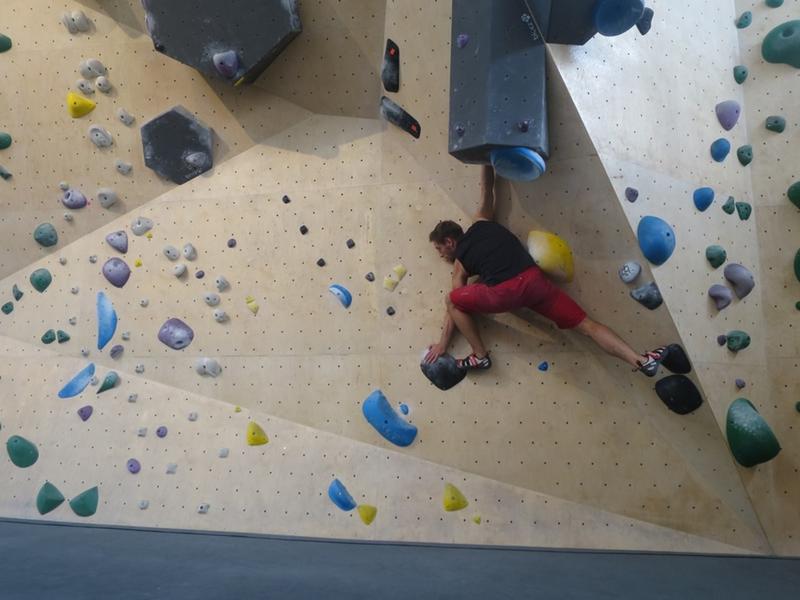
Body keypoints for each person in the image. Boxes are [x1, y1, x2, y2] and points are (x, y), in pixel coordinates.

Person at [424, 165, 669, 376]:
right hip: (535, 282)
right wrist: (486, 160)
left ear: (449, 242)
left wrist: (443, 343)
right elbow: (486, 189)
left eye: (439, 249)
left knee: (451, 300)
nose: (441, 255)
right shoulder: (481, 221)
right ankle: (640, 359)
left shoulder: (460, 263)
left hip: (507, 291)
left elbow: (454, 307)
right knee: (587, 325)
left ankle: (479, 355)